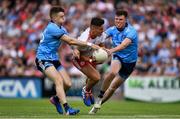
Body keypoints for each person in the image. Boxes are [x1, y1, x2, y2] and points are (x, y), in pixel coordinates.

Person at [35, 6, 99, 115]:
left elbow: (70, 43)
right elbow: (70, 40)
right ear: (54, 18)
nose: (64, 18)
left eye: (64, 16)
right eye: (61, 16)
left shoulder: (62, 29)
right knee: (59, 81)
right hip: (43, 59)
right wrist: (89, 44)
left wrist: (75, 50)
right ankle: (67, 109)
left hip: (54, 59)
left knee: (68, 84)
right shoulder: (52, 28)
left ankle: (55, 99)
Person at [89, 9, 138, 114]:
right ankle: (100, 96)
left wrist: (110, 50)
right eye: (116, 19)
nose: (118, 21)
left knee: (113, 87)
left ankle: (98, 104)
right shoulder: (112, 29)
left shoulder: (131, 31)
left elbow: (124, 45)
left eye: (120, 19)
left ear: (125, 20)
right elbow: (101, 37)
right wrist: (90, 41)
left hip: (130, 63)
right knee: (112, 72)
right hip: (118, 57)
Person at [72, 17, 106, 107]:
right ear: (93, 28)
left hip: (90, 57)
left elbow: (101, 44)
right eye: (100, 29)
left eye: (103, 28)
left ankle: (88, 91)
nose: (102, 31)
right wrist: (91, 60)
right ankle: (86, 91)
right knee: (96, 77)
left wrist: (102, 53)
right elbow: (77, 54)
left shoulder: (101, 35)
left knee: (92, 78)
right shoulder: (84, 38)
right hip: (79, 59)